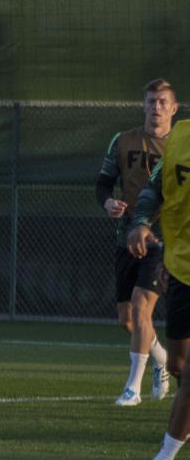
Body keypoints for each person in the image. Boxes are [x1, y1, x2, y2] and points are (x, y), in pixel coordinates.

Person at [97, 79, 176, 406]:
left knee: (143, 307)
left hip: (163, 241)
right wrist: (108, 203)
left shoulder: (180, 147)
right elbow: (102, 183)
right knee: (127, 319)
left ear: (174, 108)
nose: (155, 108)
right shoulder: (123, 141)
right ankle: (162, 359)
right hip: (126, 239)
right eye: (150, 102)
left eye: (162, 102)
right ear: (142, 106)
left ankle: (132, 388)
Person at [126, 98, 189, 460]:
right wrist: (142, 222)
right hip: (183, 269)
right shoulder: (180, 137)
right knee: (180, 366)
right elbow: (155, 189)